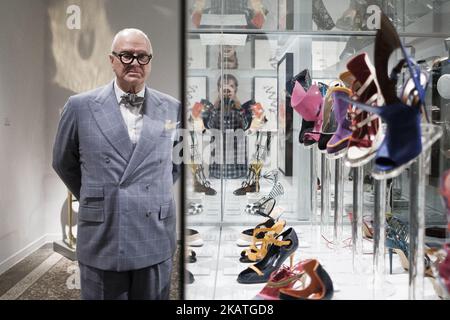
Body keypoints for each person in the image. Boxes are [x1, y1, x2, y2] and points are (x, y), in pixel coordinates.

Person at [52, 28, 181, 300]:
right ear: (112, 60)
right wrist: (96, 197)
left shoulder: (173, 108)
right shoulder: (79, 106)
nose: (135, 62)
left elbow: (178, 163)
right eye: (126, 55)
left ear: (150, 62)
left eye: (142, 57)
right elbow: (63, 162)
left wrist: (150, 196)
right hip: (104, 235)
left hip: (154, 233)